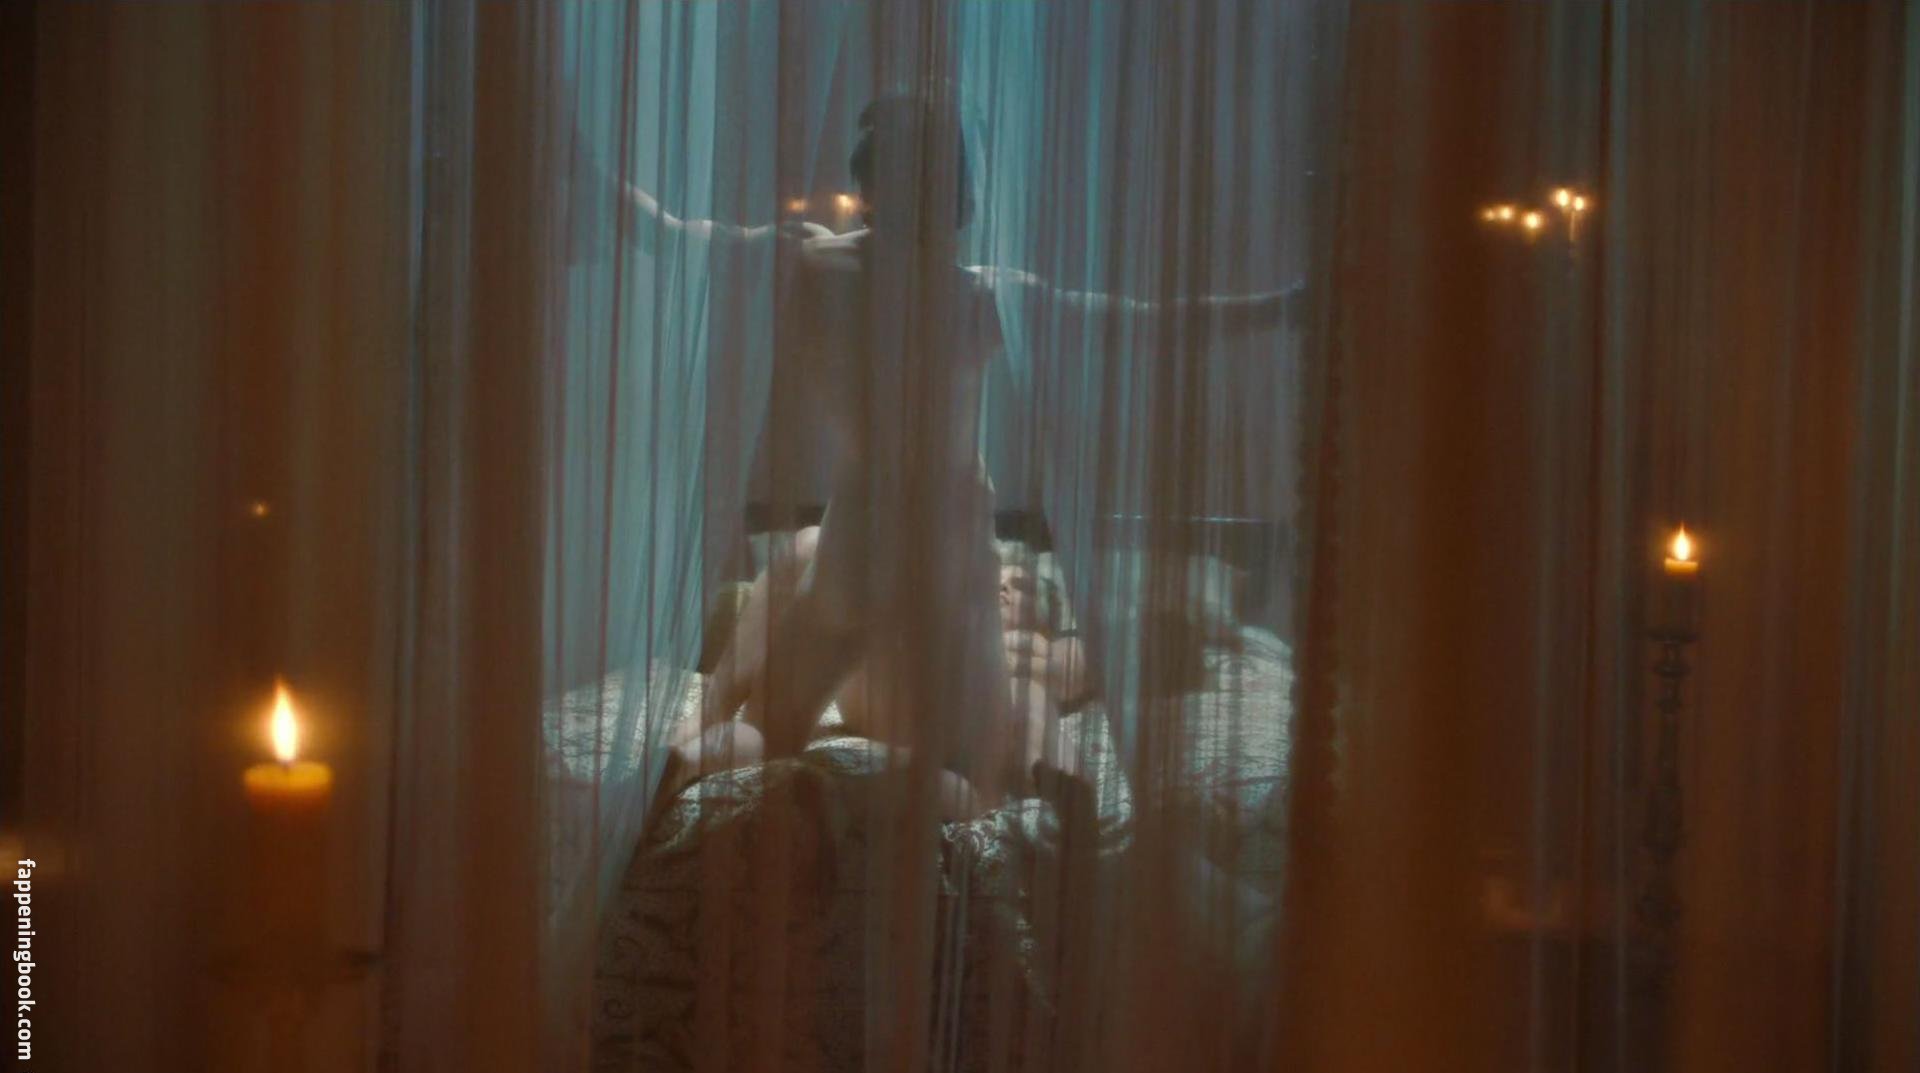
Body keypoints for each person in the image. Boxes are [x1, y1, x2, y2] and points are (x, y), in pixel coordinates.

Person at [615, 89, 1301, 809]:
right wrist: (1280, 307)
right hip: (945, 552)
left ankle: (687, 754)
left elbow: (668, 232)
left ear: (867, 181)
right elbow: (1146, 325)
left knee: (767, 728)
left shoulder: (806, 258)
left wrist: (586, 168)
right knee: (980, 776)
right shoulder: (981, 296)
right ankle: (902, 802)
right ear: (959, 198)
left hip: (854, 541)